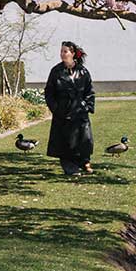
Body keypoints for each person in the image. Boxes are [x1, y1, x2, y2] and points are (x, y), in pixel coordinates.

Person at [43, 41, 96, 176]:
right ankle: (70, 167)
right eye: (61, 51)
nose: (62, 54)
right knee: (65, 141)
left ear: (72, 54)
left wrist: (86, 106)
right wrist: (56, 108)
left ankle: (84, 162)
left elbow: (89, 91)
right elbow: (49, 92)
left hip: (80, 111)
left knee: (84, 139)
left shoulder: (83, 71)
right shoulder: (56, 71)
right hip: (63, 112)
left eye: (65, 51)